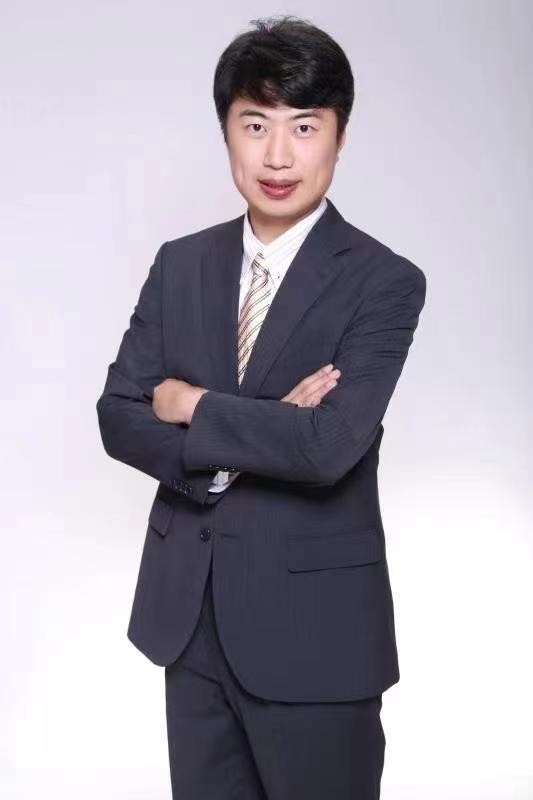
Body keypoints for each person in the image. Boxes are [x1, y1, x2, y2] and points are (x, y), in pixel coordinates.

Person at [96, 14, 427, 800]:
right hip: (190, 622)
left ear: (339, 136)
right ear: (226, 133)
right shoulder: (181, 264)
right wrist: (263, 429)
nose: (277, 156)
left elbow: (326, 448)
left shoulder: (383, 281)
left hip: (316, 634)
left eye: (303, 127)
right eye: (255, 125)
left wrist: (191, 402)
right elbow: (118, 415)